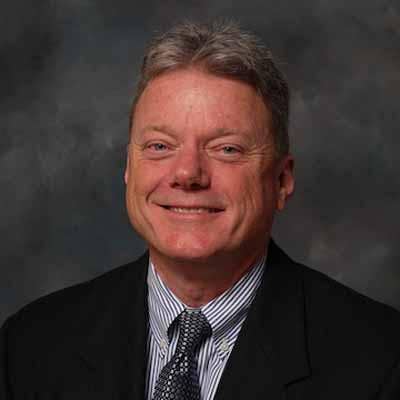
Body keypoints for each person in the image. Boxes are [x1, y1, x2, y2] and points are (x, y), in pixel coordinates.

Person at [1, 20, 399, 400]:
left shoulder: (381, 360)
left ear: (282, 180)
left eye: (227, 149)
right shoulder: (31, 345)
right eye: (160, 146)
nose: (188, 174)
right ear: (129, 168)